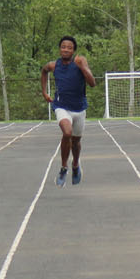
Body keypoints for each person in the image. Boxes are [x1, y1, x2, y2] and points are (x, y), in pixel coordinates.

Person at [41, 35, 97, 186]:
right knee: (67, 133)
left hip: (79, 108)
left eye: (69, 47)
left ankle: (75, 165)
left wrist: (83, 67)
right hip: (61, 106)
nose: (66, 49)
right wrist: (44, 92)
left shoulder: (80, 62)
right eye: (63, 47)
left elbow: (92, 83)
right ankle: (64, 167)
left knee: (76, 141)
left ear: (73, 51)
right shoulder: (54, 65)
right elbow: (44, 71)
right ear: (60, 49)